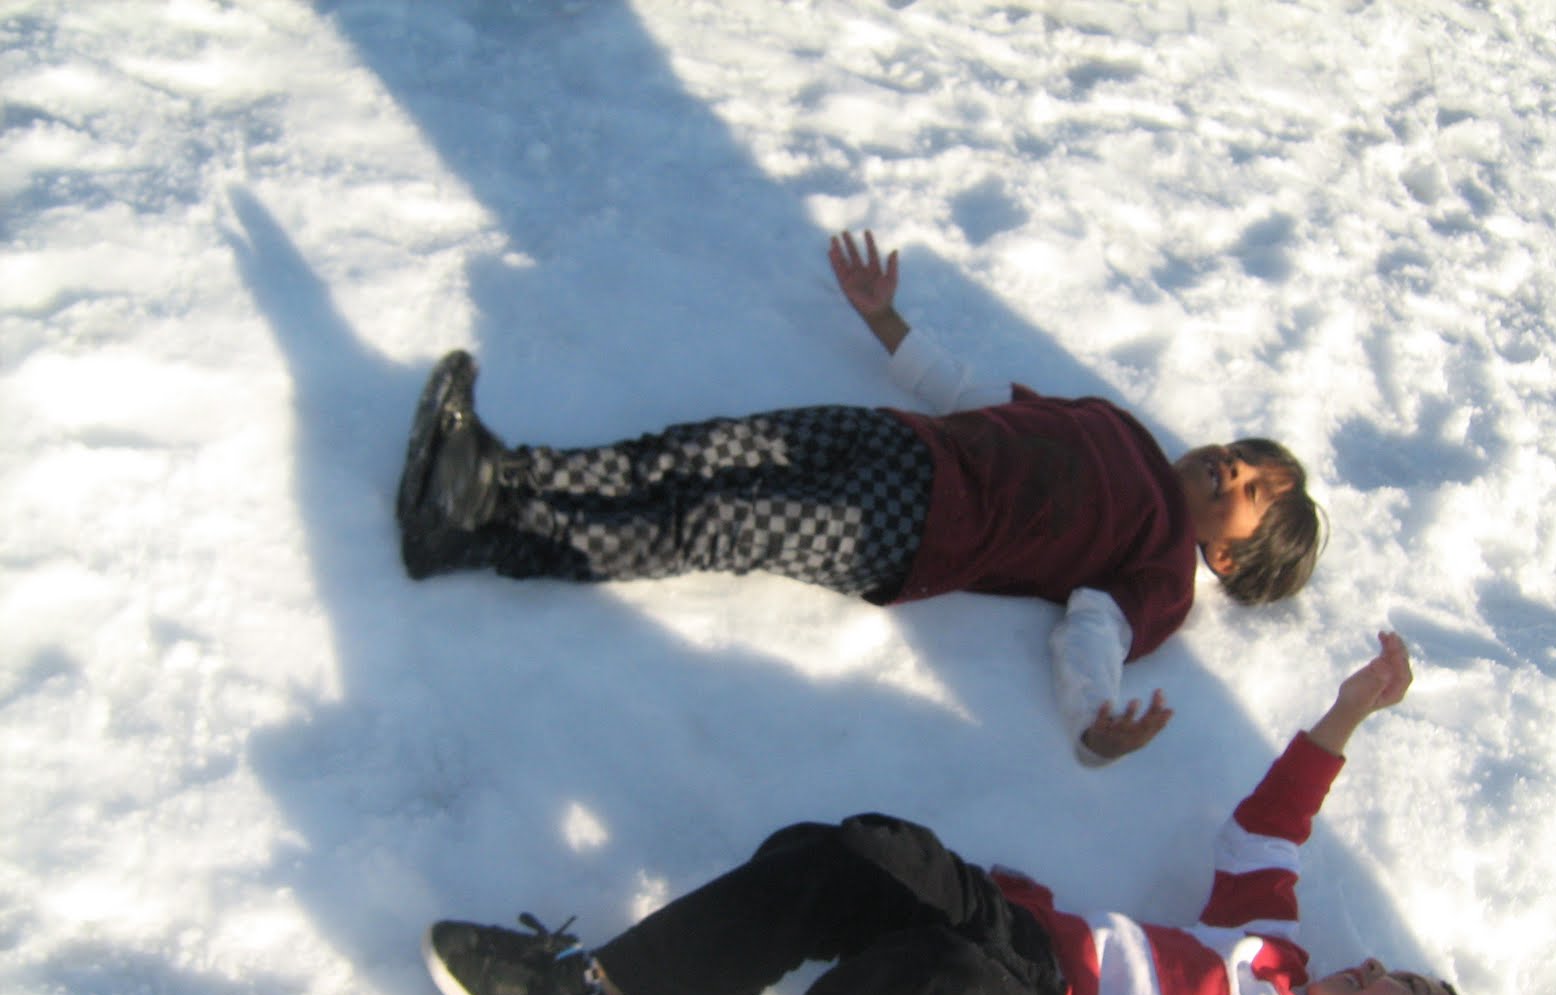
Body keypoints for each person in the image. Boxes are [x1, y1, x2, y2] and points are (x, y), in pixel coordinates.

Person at [423, 633, 1490, 995]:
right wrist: (1347, 712)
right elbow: (1266, 834)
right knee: (855, 851)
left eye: (1407, 989)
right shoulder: (1272, 953)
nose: (1378, 967)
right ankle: (594, 990)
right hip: (1026, 941)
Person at [395, 230, 1321, 763]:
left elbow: (1091, 634)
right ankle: (501, 472)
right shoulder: (1114, 424)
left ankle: (487, 535)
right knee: (695, 451)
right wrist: (885, 319)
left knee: (713, 522)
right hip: (900, 439)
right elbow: (972, 395)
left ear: (1227, 556)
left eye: (1248, 491)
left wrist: (1092, 724)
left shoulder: (1162, 575)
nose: (1230, 467)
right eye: (1243, 455)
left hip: (910, 530)